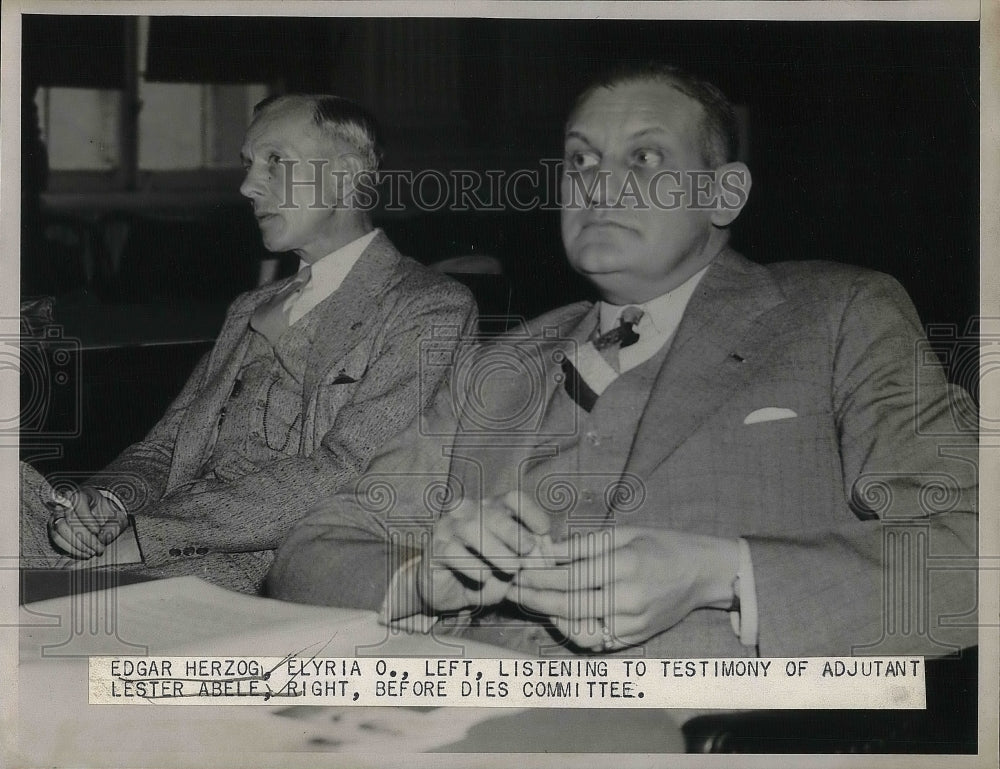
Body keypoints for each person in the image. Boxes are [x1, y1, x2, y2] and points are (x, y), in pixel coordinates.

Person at [266, 66, 977, 657]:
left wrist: (724, 572)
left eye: (643, 158)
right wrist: (427, 579)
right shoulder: (501, 363)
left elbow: (971, 559)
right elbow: (309, 553)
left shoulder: (841, 313)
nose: (597, 185)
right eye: (580, 160)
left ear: (724, 193)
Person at [20, 94, 476, 594]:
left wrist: (146, 536)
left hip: (258, 568)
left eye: (275, 161)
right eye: (248, 164)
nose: (246, 185)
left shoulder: (429, 306)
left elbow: (344, 472)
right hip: (152, 540)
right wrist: (106, 504)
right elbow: (164, 449)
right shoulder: (248, 306)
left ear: (345, 176)